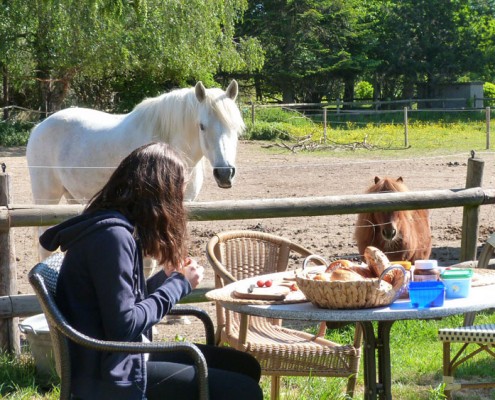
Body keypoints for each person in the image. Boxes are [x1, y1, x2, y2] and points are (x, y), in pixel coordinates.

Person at [39, 142, 263, 400]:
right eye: (177, 195)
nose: (178, 206)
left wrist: (163, 279)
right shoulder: (112, 239)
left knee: (246, 366)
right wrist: (178, 284)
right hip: (109, 372)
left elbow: (118, 304)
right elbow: (123, 326)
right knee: (245, 390)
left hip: (116, 356)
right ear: (159, 195)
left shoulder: (115, 228)